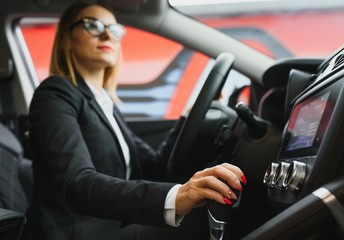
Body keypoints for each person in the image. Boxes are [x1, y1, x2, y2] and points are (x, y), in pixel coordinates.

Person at [23, 1, 246, 239]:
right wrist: (176, 197)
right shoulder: (55, 94)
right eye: (94, 25)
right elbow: (77, 184)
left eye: (115, 28)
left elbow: (156, 165)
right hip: (78, 232)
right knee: (203, 218)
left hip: (112, 225)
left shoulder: (105, 103)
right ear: (67, 38)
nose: (108, 33)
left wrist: (188, 117)